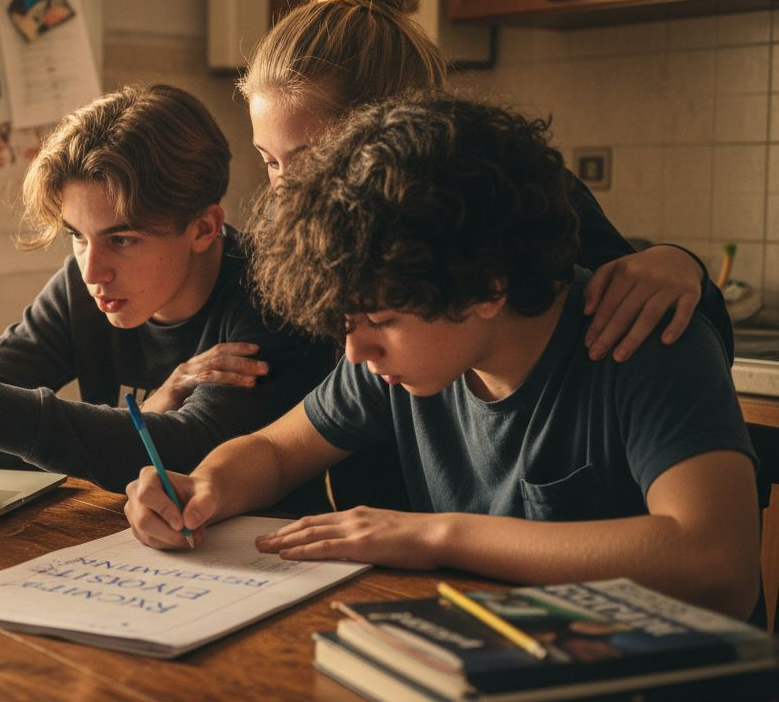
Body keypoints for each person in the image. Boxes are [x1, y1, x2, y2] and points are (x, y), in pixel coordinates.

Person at [124, 91, 762, 621]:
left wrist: (435, 534)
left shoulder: (641, 339)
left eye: (380, 320)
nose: (355, 349)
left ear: (487, 287)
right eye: (346, 321)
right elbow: (274, 451)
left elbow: (717, 564)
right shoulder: (397, 361)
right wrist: (204, 487)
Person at [0, 84, 337, 501]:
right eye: (78, 236)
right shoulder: (82, 286)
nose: (93, 271)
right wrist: (149, 414)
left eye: (122, 239)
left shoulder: (272, 294)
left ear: (204, 228)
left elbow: (193, 459)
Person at [237, 0, 729, 366]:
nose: (284, 191)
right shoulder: (287, 234)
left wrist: (680, 267)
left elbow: (670, 328)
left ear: (394, 127)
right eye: (270, 162)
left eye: (309, 160)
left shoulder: (508, 197)